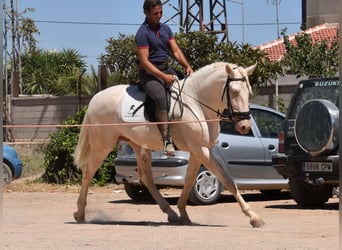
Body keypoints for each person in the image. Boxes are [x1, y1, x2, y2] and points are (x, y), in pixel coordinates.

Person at [135, 0, 193, 156]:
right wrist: (164, 77)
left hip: (166, 68)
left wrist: (187, 66)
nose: (159, 16)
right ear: (146, 12)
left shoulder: (166, 29)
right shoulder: (142, 33)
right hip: (149, 73)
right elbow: (145, 62)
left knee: (188, 88)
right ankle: (167, 140)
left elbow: (176, 52)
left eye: (160, 12)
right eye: (155, 13)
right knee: (161, 97)